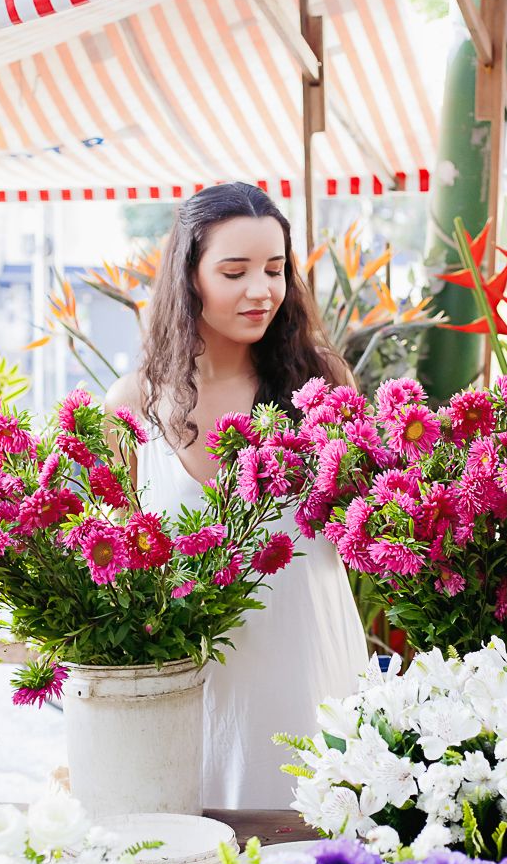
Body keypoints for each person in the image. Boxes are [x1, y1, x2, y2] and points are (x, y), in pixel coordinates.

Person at [106, 182, 368, 809]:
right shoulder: (131, 405)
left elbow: (368, 519)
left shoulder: (320, 384)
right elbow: (113, 566)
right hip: (198, 698)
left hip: (314, 678)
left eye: (275, 270)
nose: (262, 291)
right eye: (234, 271)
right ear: (188, 277)